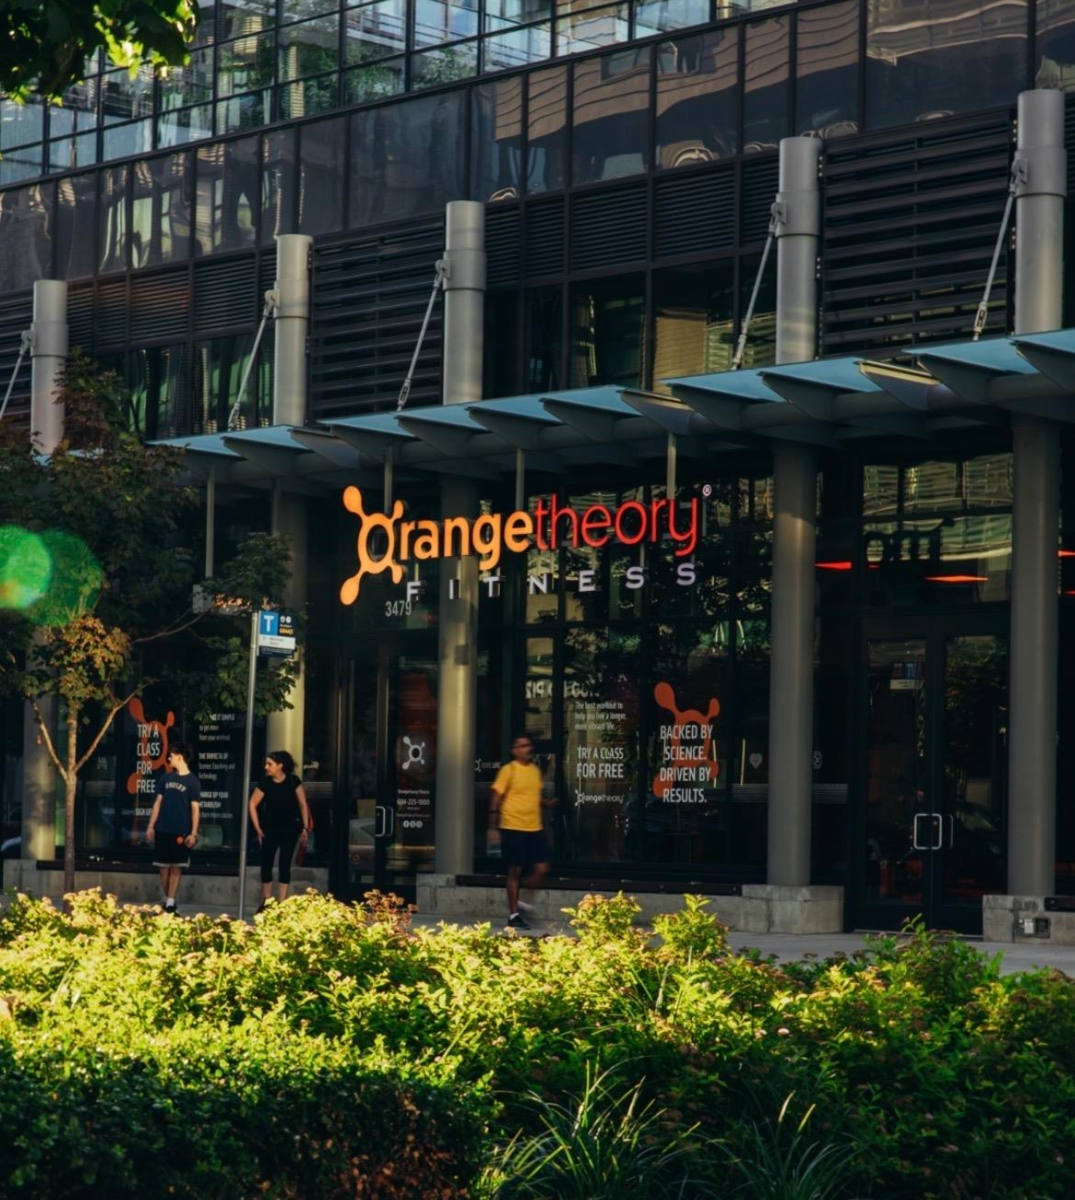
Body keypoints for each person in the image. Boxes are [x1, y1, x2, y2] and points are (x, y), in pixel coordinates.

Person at [488, 735, 555, 930]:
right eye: (523, 746)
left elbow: (535, 795)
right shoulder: (508, 770)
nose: (527, 748)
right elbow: (495, 798)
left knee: (542, 867)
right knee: (515, 870)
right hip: (512, 826)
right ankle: (513, 915)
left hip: (534, 828)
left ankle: (522, 901)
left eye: (529, 745)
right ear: (515, 750)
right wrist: (493, 827)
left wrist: (546, 803)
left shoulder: (535, 771)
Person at [248, 750, 312, 913]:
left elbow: (303, 803)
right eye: (266, 763)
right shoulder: (266, 783)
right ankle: (268, 901)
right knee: (266, 864)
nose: (266, 767)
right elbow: (252, 804)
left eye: (270, 764)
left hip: (290, 829)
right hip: (270, 829)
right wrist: (258, 828)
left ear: (280, 765)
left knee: (285, 864)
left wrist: (305, 827)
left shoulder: (293, 781)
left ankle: (282, 904)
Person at [146, 743, 201, 915]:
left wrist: (193, 832)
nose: (168, 758)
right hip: (163, 828)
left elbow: (195, 809)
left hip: (181, 831)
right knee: (163, 867)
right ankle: (167, 897)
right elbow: (157, 802)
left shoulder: (193, 782)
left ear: (179, 757)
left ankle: (170, 903)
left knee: (176, 867)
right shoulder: (165, 778)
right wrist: (151, 826)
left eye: (171, 755)